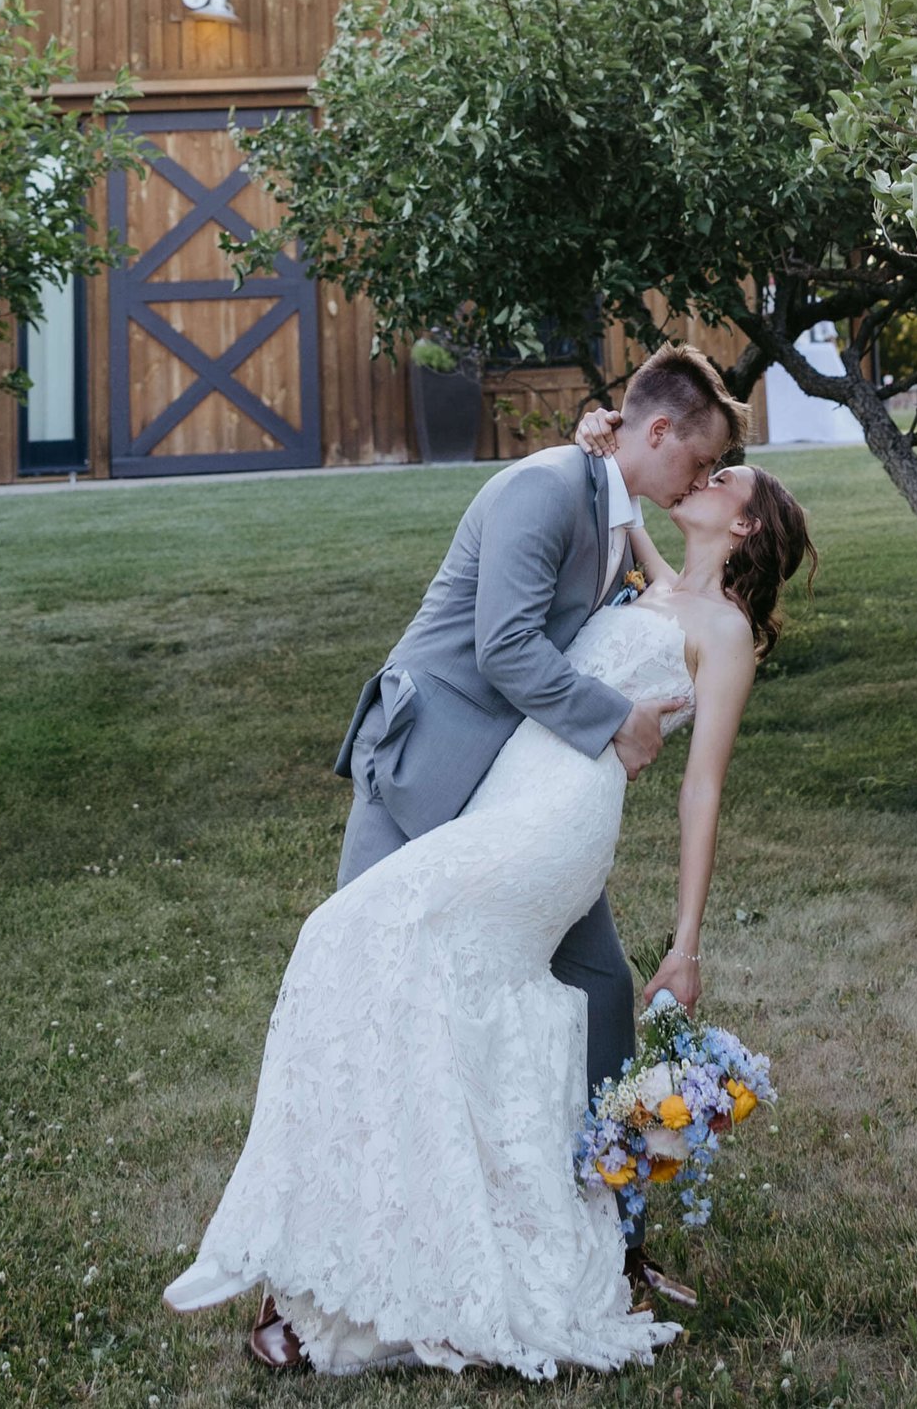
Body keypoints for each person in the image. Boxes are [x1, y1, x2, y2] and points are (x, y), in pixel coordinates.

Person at [163, 352, 816, 1379]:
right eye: (706, 458)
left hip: (546, 815)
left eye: (721, 476)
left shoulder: (698, 608)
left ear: (742, 530)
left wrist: (685, 943)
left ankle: (607, 1234)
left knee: (574, 988)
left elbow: (702, 786)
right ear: (656, 436)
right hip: (446, 769)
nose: (704, 475)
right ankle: (320, 1271)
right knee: (371, 971)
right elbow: (521, 634)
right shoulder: (587, 516)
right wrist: (596, 448)